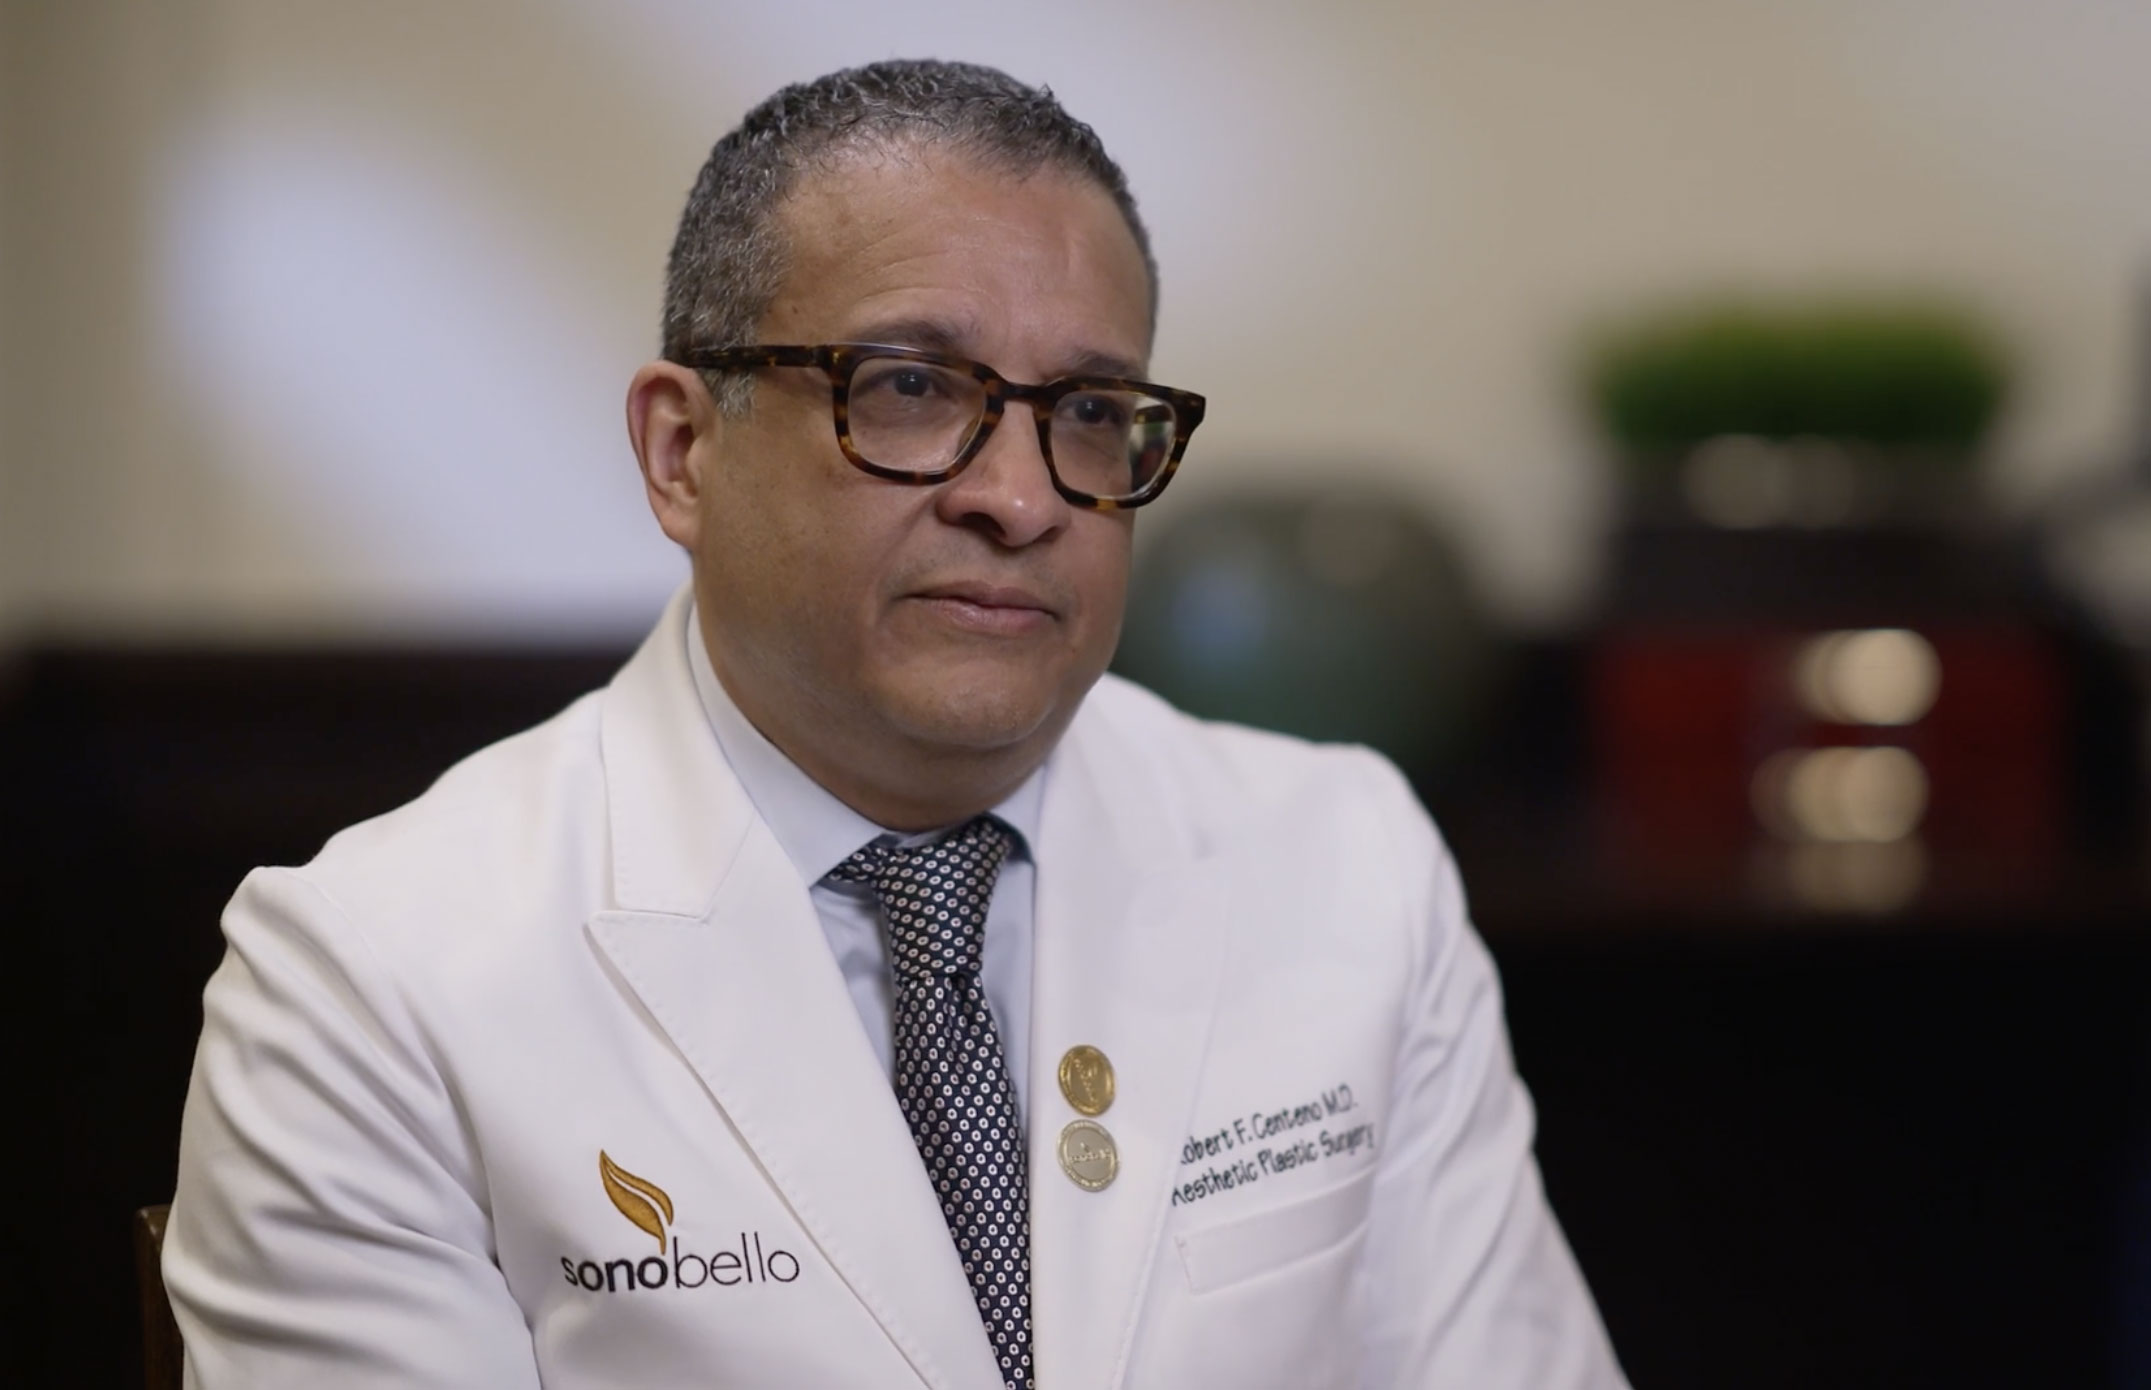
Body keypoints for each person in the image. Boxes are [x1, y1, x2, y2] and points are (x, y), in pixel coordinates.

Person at [164, 58, 1627, 1389]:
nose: (1022, 495)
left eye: (1093, 410)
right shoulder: (368, 982)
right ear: (683, 452)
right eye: (914, 387)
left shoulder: (1342, 857)